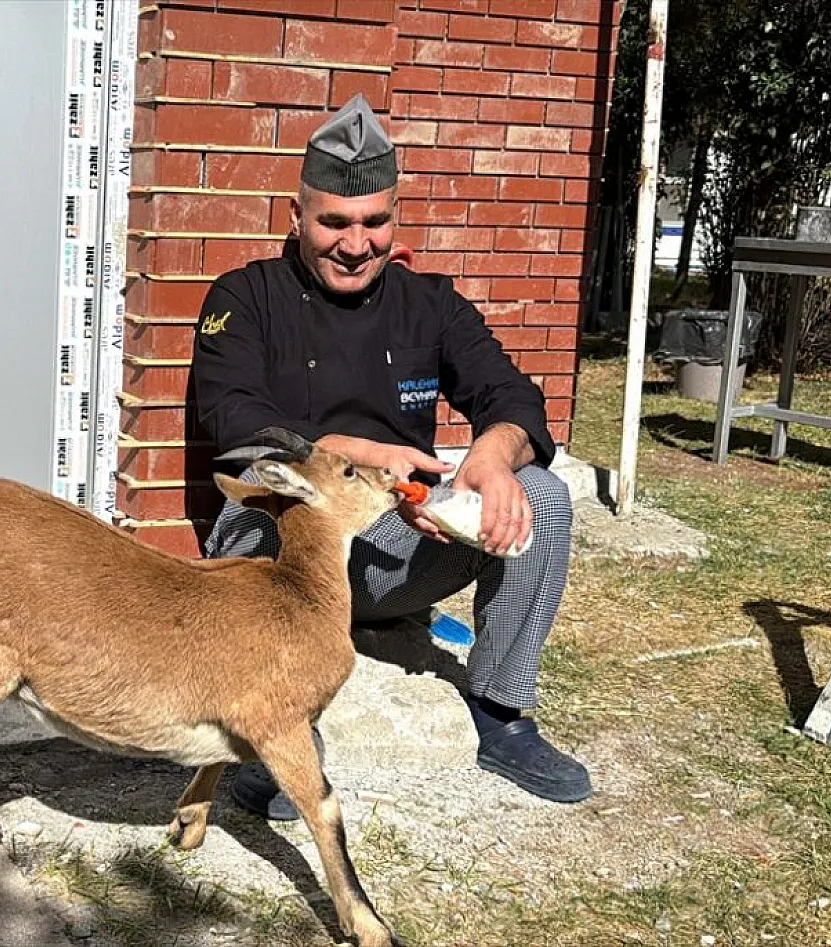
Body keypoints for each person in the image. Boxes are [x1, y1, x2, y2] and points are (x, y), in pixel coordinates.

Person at [190, 93, 592, 815]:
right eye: (334, 222)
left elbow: (513, 394)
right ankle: (262, 732)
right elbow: (231, 418)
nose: (356, 243)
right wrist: (345, 454)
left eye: (375, 222)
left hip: (392, 548)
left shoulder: (429, 304)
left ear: (394, 219)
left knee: (547, 495)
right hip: (282, 552)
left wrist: (494, 457)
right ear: (297, 217)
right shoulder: (244, 298)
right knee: (263, 494)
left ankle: (501, 711)